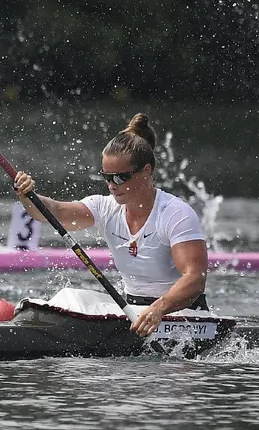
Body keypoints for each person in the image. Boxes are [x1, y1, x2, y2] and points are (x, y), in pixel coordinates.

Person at [12, 113, 206, 337]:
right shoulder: (104, 207)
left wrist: (158, 309)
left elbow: (195, 278)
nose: (112, 185)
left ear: (146, 171)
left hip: (183, 315)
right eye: (107, 177)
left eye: (120, 178)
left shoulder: (175, 213)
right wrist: (27, 196)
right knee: (69, 296)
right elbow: (52, 212)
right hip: (134, 313)